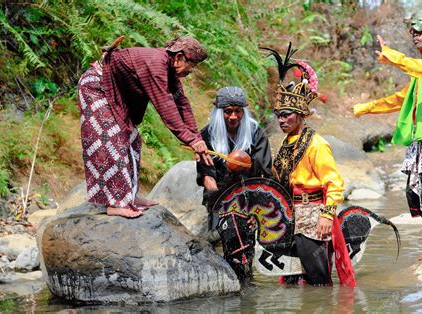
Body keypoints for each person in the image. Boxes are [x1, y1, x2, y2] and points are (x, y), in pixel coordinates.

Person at [353, 15, 422, 272]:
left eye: (420, 31)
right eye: (412, 32)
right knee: (414, 190)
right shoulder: (420, 68)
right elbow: (400, 99)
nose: (414, 35)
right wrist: (366, 108)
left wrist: (392, 56)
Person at [77, 36, 213, 218]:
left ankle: (129, 195)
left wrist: (196, 138)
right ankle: (115, 203)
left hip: (113, 92)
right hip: (96, 88)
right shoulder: (156, 63)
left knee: (133, 139)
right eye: (192, 65)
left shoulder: (168, 69)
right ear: (179, 57)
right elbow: (165, 105)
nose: (191, 71)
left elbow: (181, 103)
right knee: (112, 140)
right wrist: (189, 139)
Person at [264, 44, 355, 287]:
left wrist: (326, 216)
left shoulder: (316, 144)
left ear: (301, 114)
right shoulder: (287, 142)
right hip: (290, 213)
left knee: (318, 281)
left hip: (313, 215)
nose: (282, 120)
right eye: (279, 115)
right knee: (292, 280)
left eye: (287, 115)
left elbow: (335, 184)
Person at [196, 86, 272, 231]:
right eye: (228, 111)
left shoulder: (256, 134)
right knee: (218, 238)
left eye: (238, 111)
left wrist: (255, 206)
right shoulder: (206, 135)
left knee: (245, 245)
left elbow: (263, 173)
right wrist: (221, 205)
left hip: (249, 196)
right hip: (218, 197)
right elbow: (207, 176)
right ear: (219, 112)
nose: (233, 116)